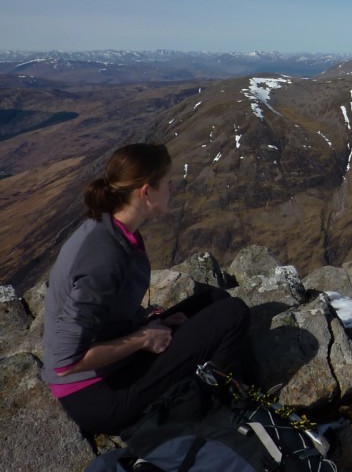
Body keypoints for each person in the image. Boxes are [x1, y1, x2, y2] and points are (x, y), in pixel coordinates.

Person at [42, 142, 251, 436]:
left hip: (109, 368)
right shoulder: (105, 257)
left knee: (214, 299)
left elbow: (105, 314)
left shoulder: (109, 228)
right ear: (146, 192)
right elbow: (65, 362)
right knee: (233, 314)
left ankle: (212, 387)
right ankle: (218, 414)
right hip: (96, 395)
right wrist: (142, 339)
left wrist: (147, 324)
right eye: (167, 182)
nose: (173, 188)